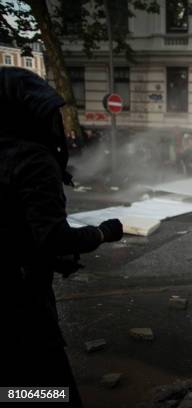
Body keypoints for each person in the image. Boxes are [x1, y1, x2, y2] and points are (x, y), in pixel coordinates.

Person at [0, 67, 124, 407]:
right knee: (52, 388)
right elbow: (51, 235)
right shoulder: (31, 159)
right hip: (20, 300)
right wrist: (102, 232)